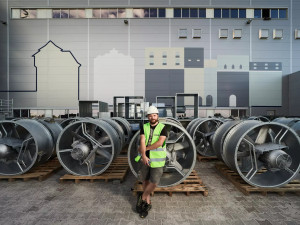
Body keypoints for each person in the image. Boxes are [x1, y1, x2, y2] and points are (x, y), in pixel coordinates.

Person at [135, 105, 168, 218]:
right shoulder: (144, 126)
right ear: (148, 117)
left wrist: (145, 149)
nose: (152, 117)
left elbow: (159, 143)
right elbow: (142, 140)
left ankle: (143, 196)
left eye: (154, 115)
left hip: (157, 160)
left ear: (157, 116)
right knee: (145, 180)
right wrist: (143, 155)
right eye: (150, 115)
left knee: (154, 182)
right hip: (145, 158)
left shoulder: (163, 127)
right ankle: (147, 202)